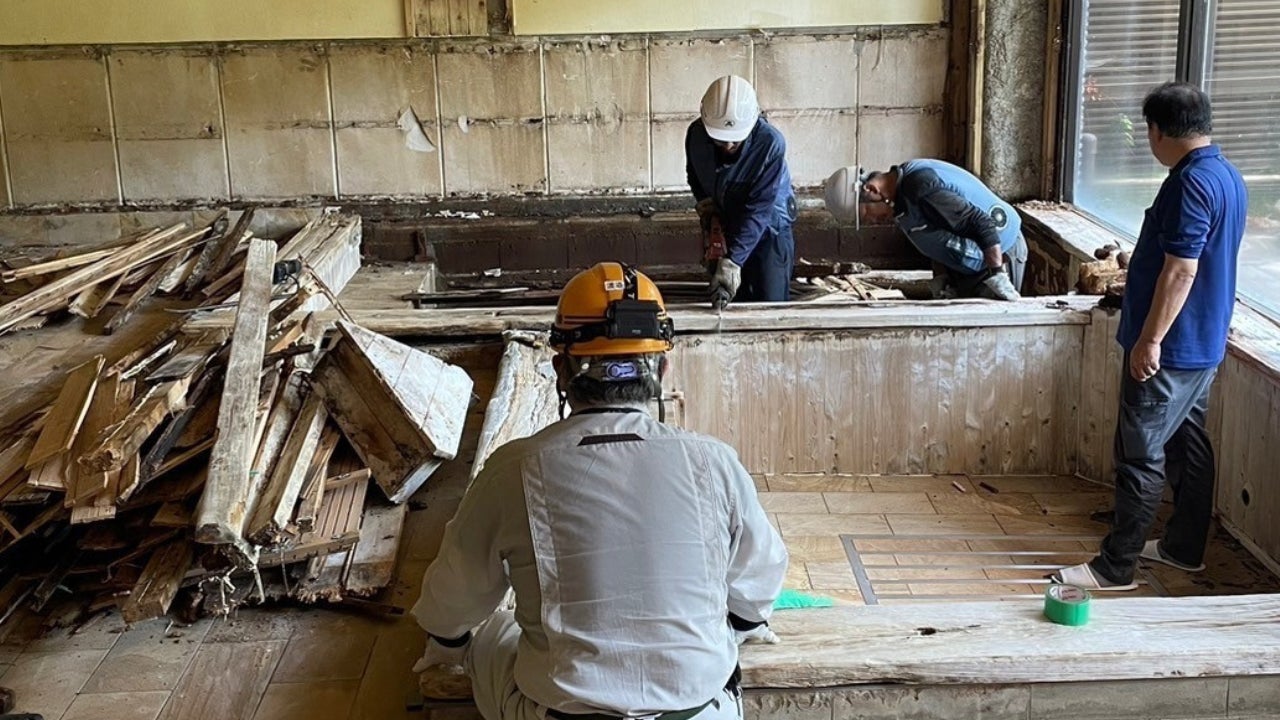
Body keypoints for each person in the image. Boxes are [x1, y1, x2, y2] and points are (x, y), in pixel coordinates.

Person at [411, 261, 790, 720]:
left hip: (562, 713)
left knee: (493, 633)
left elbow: (451, 605)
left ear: (560, 370)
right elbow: (758, 585)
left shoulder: (513, 469)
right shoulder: (714, 461)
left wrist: (447, 645)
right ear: (663, 367)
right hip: (701, 712)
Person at [1054, 82, 1246, 591]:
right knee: (1188, 443)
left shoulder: (1191, 184)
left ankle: (1114, 568)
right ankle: (1184, 548)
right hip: (1202, 340)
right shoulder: (1225, 175)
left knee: (1139, 453)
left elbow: (1182, 270)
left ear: (1157, 131)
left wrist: (1151, 339)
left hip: (1172, 347)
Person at [823, 160, 1027, 301]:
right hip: (970, 264)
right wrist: (942, 278)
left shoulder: (922, 189)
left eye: (867, 214)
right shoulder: (900, 201)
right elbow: (936, 235)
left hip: (998, 255)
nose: (873, 221)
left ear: (872, 190)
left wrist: (997, 275)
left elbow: (981, 224)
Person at [686, 75, 796, 306]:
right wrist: (709, 213)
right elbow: (696, 175)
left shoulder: (770, 144)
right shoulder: (696, 136)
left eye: (735, 141)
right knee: (734, 300)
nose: (727, 146)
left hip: (769, 228)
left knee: (770, 304)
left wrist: (732, 262)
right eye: (720, 140)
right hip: (729, 219)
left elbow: (759, 210)